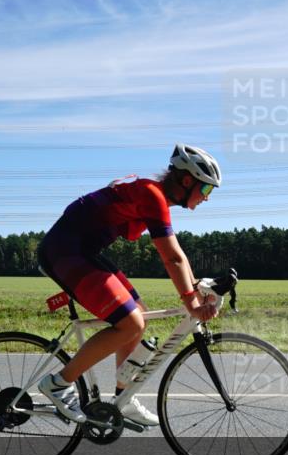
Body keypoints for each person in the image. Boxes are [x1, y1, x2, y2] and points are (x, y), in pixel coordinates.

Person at [35, 144, 221, 426]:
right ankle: (59, 383)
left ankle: (123, 398)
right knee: (130, 322)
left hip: (83, 251)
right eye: (206, 190)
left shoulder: (151, 195)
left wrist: (196, 287)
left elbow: (177, 256)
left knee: (139, 316)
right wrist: (192, 303)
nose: (206, 198)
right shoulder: (152, 195)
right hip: (65, 252)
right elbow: (172, 257)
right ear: (186, 181)